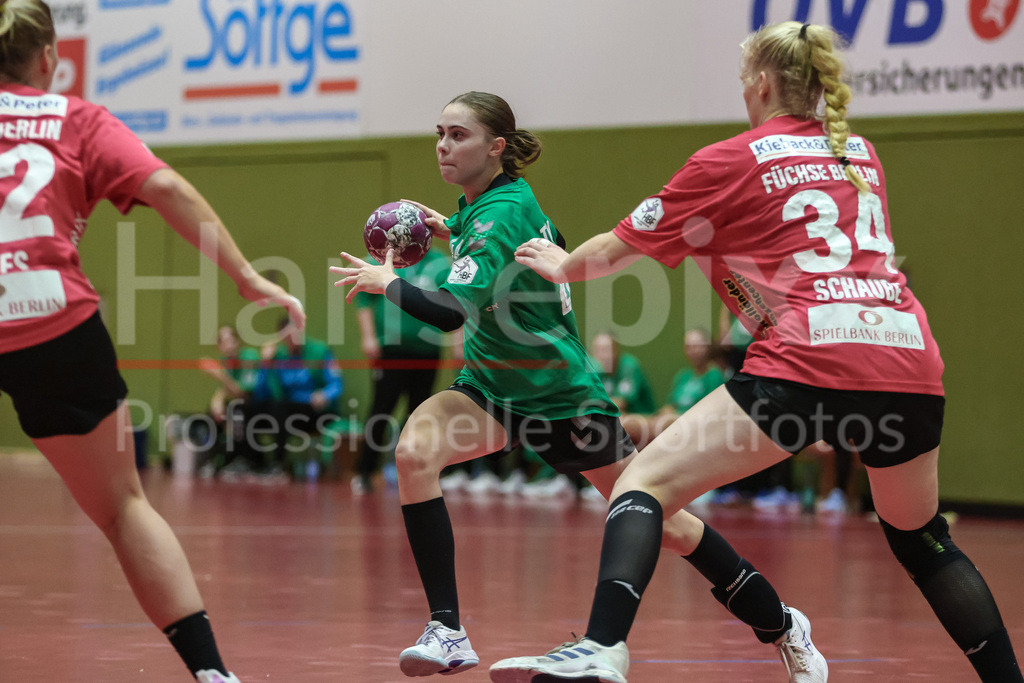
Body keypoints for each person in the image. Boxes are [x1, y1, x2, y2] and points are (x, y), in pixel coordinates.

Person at [498, 21, 1021, 682]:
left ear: (764, 83)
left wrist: (559, 263)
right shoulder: (859, 152)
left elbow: (611, 252)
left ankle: (603, 646)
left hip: (808, 358)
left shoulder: (730, 159)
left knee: (642, 483)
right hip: (906, 357)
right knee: (922, 538)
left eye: (746, 78)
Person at [331, 91, 823, 680]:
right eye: (438, 132)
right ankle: (447, 631)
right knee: (414, 452)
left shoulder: (496, 214)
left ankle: (783, 624)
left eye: (458, 135)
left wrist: (386, 281)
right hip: (491, 387)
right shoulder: (485, 207)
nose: (442, 145)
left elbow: (448, 314)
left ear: (497, 147)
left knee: (668, 524)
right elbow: (517, 241)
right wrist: (447, 227)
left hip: (560, 394)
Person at [0, 2, 305, 681]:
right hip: (50, 317)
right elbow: (164, 185)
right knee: (121, 505)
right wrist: (250, 276)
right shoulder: (74, 118)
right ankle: (211, 673)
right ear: (49, 57)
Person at [352, 249, 454, 493]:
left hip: (428, 348)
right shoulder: (381, 261)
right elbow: (364, 300)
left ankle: (415, 470)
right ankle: (365, 472)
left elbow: (454, 302)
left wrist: (458, 341)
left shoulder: (440, 263)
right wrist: (369, 337)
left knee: (419, 412)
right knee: (382, 408)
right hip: (391, 349)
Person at [254, 317, 342, 478]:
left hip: (316, 411)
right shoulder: (279, 356)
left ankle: (278, 465)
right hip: (287, 411)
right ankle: (254, 463)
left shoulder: (320, 350)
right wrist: (265, 363)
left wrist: (324, 394)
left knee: (280, 408)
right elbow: (260, 392)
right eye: (286, 337)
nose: (291, 340)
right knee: (250, 408)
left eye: (294, 333)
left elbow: (337, 385)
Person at [198, 325, 263, 476]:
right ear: (219, 346)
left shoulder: (249, 357)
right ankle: (213, 461)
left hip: (259, 402)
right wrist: (217, 401)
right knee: (212, 414)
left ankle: (244, 460)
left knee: (238, 411)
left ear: (237, 341)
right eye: (223, 341)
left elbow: (242, 393)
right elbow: (224, 389)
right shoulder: (225, 362)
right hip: (238, 403)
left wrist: (219, 374)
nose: (228, 344)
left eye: (231, 339)